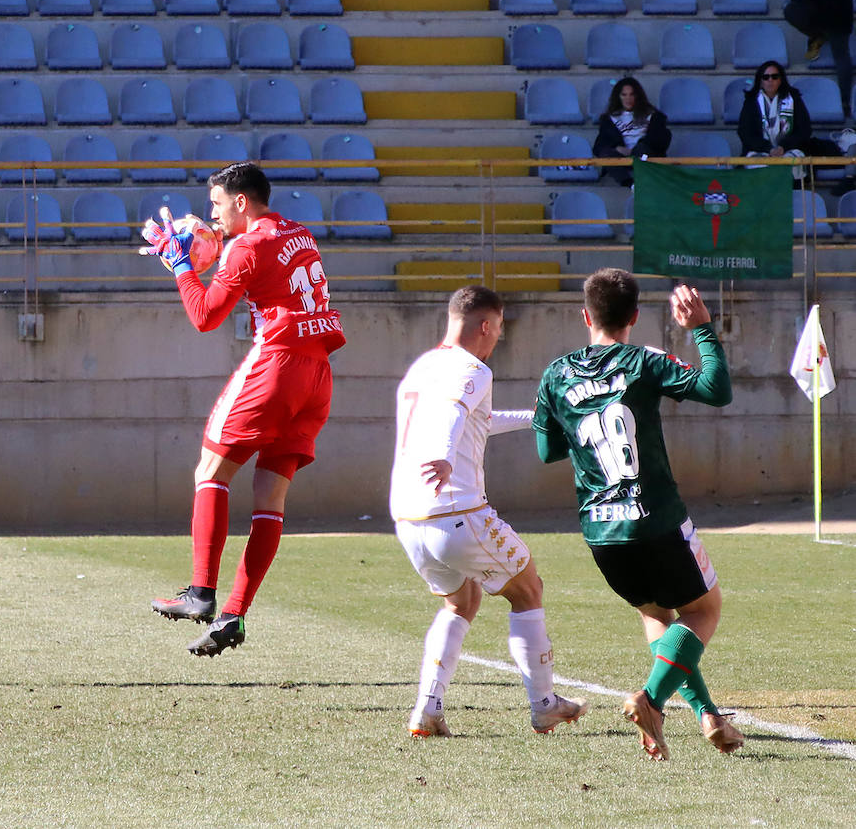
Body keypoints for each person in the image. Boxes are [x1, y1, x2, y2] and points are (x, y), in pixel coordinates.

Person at [532, 270, 745, 760]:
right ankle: (650, 700)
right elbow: (716, 389)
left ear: (585, 316)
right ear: (634, 317)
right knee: (703, 610)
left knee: (656, 612)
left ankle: (708, 715)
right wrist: (703, 328)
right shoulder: (643, 360)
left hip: (602, 532)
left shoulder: (556, 373)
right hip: (657, 518)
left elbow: (546, 450)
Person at [141, 162, 346, 656]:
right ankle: (232, 616)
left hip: (276, 366)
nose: (212, 214)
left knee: (210, 471)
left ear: (240, 202)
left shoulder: (247, 245)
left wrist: (182, 265)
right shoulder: (299, 232)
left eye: (215, 204)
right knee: (269, 499)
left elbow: (206, 316)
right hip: (318, 376)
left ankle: (201, 593)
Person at [391, 285, 586, 739]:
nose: (498, 337)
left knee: (461, 602)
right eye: (498, 328)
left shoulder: (423, 367)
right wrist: (442, 455)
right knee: (528, 588)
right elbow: (455, 413)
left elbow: (475, 420)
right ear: (484, 325)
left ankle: (428, 708)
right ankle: (543, 705)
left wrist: (536, 417)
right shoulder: (472, 367)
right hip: (454, 511)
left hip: (408, 517)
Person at [737, 61, 843, 178]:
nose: (770, 80)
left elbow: (804, 130)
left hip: (789, 149)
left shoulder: (794, 99)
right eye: (766, 77)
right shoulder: (751, 102)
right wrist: (768, 149)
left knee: (792, 164)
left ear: (781, 79)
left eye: (775, 77)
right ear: (760, 81)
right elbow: (745, 132)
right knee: (759, 165)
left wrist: (783, 147)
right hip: (760, 150)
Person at [592, 77, 671, 187]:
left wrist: (636, 149)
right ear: (618, 97)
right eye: (624, 95)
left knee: (642, 149)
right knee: (606, 154)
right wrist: (616, 148)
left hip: (644, 154)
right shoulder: (609, 118)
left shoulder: (653, 115)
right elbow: (598, 146)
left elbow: (662, 140)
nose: (628, 99)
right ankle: (629, 183)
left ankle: (647, 179)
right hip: (621, 157)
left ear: (637, 96)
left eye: (631, 94)